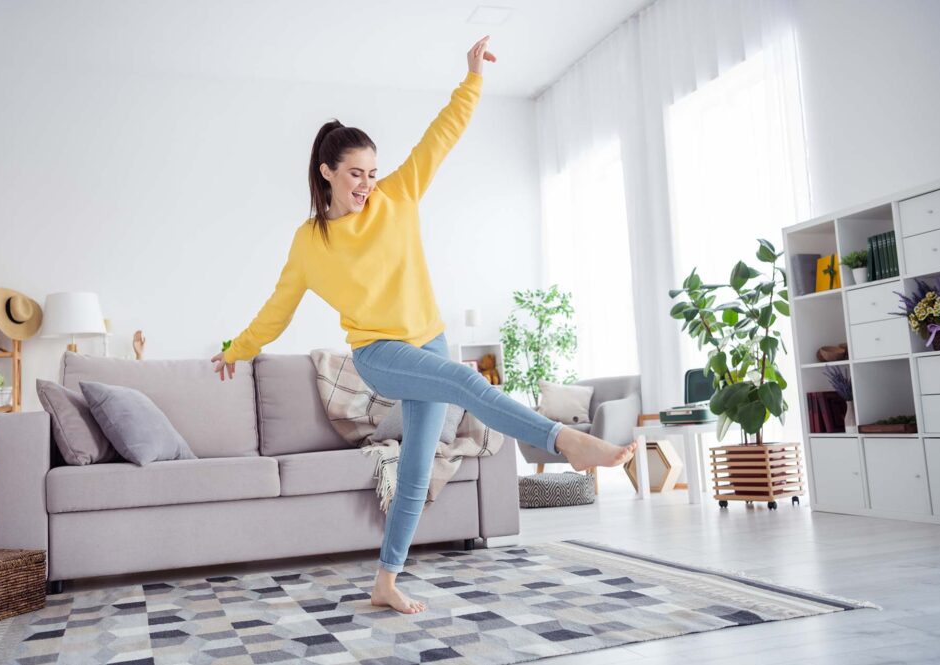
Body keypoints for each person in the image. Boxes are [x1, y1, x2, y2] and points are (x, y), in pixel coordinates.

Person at [212, 36, 637, 615]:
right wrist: (237, 349)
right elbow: (278, 308)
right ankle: (565, 442)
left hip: (428, 336)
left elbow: (442, 136)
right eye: (355, 173)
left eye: (371, 172)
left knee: (416, 466)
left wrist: (472, 81)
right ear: (327, 173)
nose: (365, 183)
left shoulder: (398, 195)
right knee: (467, 384)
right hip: (380, 354)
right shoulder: (311, 242)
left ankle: (385, 581)